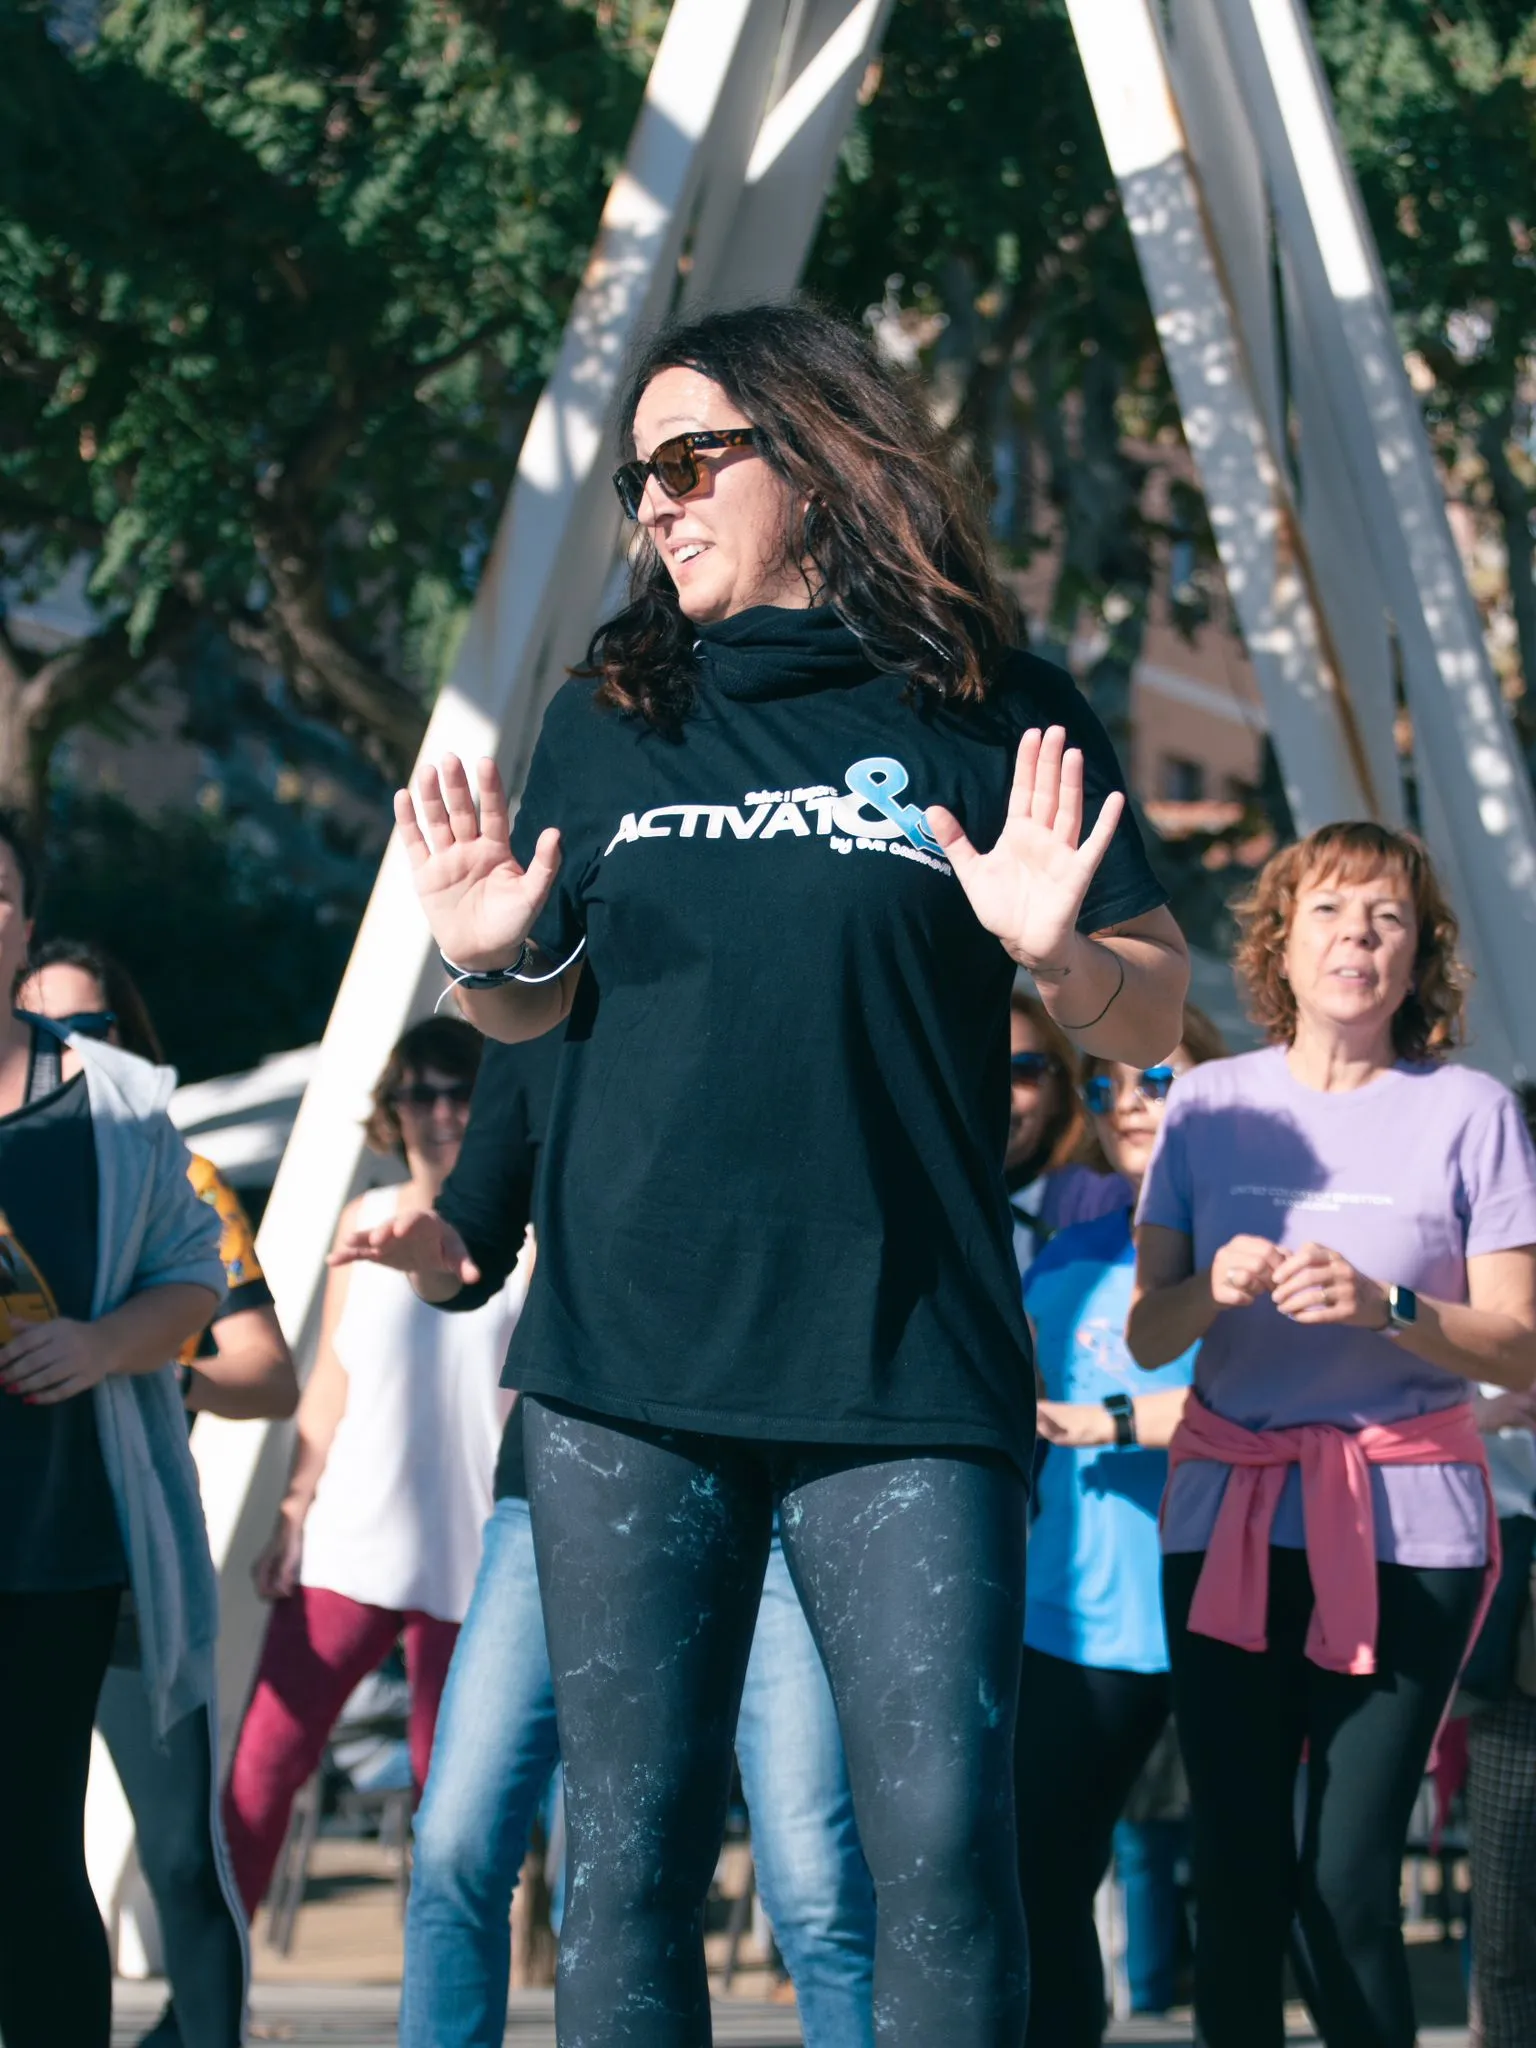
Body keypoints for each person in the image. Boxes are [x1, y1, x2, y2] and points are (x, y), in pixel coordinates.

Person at [391, 298, 1189, 2045]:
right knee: (627, 1860)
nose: (659, 505)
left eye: (691, 462)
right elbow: (540, 1017)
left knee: (940, 1854)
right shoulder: (610, 718)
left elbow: (1150, 1003)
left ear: (815, 458)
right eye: (639, 479)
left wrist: (1055, 952)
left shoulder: (996, 710)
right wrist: (485, 961)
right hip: (627, 1366)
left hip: (902, 1361)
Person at [337, 1031, 879, 2048]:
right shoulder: (538, 1013)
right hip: (563, 1486)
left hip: (776, 1477)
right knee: (455, 1844)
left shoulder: (790, 990)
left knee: (812, 1883)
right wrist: (433, 1257)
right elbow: (473, 1241)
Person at [1128, 820, 1536, 2048]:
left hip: (1410, 1527)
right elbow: (1148, 1333)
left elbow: (1520, 1344)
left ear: (1420, 956)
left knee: (1346, 1877)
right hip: (1229, 1516)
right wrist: (1212, 1288)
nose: (1357, 935)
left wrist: (1389, 1304)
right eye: (1329, 910)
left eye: (1387, 916)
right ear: (1279, 940)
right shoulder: (1206, 1103)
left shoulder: (1471, 1109)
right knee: (1237, 1865)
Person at [20, 938, 299, 2048]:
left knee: (180, 1850)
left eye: (89, 1027)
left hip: (126, 1556)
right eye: (47, 1025)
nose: (66, 1049)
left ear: (127, 1039)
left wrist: (131, 1355)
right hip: (22, 1546)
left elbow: (268, 1374)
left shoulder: (168, 1168)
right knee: (31, 1851)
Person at [0, 822, 228, 2048]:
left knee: (31, 1846)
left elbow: (197, 1279)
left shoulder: (119, 1101)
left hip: (57, 1541)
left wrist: (98, 1344)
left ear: (25, 927)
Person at [221, 1017, 518, 1922]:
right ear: (394, 1107)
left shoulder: (528, 1232)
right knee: (263, 1766)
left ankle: (437, 1995)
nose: (439, 1111)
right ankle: (212, 1983)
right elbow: (331, 1379)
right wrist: (291, 1510)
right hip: (350, 1539)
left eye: (458, 1091)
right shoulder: (363, 1219)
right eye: (419, 1093)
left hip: (476, 1553)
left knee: (452, 1806)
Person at [1014, 1003, 1224, 2045]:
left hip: (1226, 1613)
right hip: (1072, 1624)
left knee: (1260, 1894)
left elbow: (1267, 1401)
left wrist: (1113, 1421)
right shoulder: (1067, 1253)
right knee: (1040, 1880)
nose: (1128, 1104)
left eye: (1157, 1081)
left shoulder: (1248, 1247)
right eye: (1106, 1086)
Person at [1006, 987, 1127, 1269]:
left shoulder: (1104, 1203)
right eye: (975, 1068)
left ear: (1059, 1094)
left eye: (1023, 1070)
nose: (998, 1090)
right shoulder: (907, 1193)